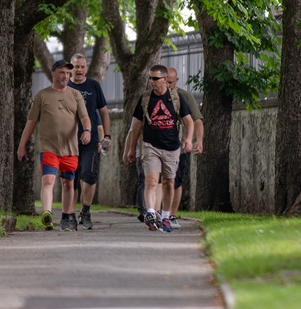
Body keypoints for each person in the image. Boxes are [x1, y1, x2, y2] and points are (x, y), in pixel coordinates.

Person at [17, 59, 92, 231]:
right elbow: (30, 122)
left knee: (68, 183)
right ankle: (47, 214)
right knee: (48, 179)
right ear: (53, 73)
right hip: (48, 146)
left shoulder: (75, 95)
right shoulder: (42, 95)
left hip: (70, 148)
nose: (65, 76)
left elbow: (85, 117)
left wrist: (87, 130)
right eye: (62, 72)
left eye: (68, 73)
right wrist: (21, 146)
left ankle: (66, 217)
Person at [123, 64, 193, 232]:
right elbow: (137, 126)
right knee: (151, 180)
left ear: (164, 80)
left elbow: (189, 121)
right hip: (150, 146)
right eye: (150, 78)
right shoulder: (145, 98)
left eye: (155, 79)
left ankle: (166, 217)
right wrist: (131, 149)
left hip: (172, 147)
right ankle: (151, 213)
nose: (152, 82)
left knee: (169, 182)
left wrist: (189, 139)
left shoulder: (176, 98)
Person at [68, 53, 111, 230]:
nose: (79, 70)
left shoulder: (93, 86)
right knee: (71, 179)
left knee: (89, 175)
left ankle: (85, 211)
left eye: (82, 66)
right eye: (76, 66)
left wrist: (106, 136)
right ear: (71, 68)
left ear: (86, 68)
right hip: (68, 140)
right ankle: (69, 214)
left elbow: (104, 112)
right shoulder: (65, 86)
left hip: (91, 140)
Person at [165, 67, 203, 230]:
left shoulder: (184, 97)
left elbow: (197, 120)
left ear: (177, 81)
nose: (167, 86)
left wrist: (197, 141)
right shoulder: (152, 96)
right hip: (157, 146)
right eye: (164, 82)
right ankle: (160, 214)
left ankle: (171, 215)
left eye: (171, 83)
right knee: (158, 181)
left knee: (175, 181)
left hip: (178, 147)